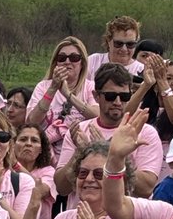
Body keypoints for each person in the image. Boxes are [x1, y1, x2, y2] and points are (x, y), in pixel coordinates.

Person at [53, 64, 162, 200]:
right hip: (84, 214)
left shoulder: (146, 132)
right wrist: (80, 153)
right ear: (96, 96)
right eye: (110, 96)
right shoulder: (79, 131)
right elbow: (62, 188)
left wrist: (110, 152)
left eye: (124, 96)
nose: (117, 102)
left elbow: (146, 189)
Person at [26, 37, 98, 153]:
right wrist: (53, 88)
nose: (67, 62)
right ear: (56, 63)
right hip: (47, 153)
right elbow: (31, 122)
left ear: (82, 63)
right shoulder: (43, 86)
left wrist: (68, 95)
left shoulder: (90, 87)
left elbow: (97, 116)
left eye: (74, 58)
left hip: (80, 153)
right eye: (62, 58)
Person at [10, 123, 56, 219]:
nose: (28, 144)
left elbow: (42, 190)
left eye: (34, 140)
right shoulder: (5, 171)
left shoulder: (48, 171)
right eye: (23, 139)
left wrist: (15, 165)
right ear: (13, 145)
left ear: (41, 149)